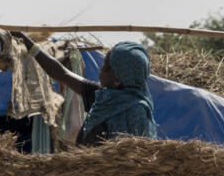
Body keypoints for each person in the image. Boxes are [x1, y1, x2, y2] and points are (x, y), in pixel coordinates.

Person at [13, 32, 157, 145]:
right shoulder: (102, 96)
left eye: (107, 67)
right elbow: (60, 73)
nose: (101, 68)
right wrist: (28, 42)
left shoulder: (136, 111)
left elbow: (135, 159)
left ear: (118, 80)